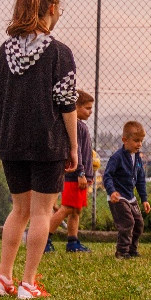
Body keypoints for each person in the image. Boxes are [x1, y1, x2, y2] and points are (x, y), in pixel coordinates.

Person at [0, 0, 78, 299]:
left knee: (18, 210)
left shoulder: (3, 51)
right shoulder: (59, 53)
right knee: (41, 212)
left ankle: (2, 278)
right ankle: (28, 283)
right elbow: (67, 105)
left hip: (10, 141)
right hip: (46, 144)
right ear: (51, 9)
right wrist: (74, 146)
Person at [45, 89, 95, 253]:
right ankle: (45, 239)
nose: (90, 111)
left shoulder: (81, 126)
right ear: (76, 107)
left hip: (82, 177)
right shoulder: (76, 127)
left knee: (76, 209)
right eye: (87, 108)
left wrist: (89, 175)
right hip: (75, 176)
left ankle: (73, 242)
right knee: (67, 208)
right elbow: (77, 151)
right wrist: (81, 173)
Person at [103, 121, 151, 259]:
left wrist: (144, 199)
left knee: (139, 223)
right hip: (118, 197)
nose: (139, 144)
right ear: (125, 140)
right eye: (136, 141)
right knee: (127, 222)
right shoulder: (117, 157)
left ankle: (132, 249)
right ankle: (121, 251)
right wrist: (111, 191)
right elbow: (107, 176)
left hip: (131, 197)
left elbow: (141, 179)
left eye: (141, 141)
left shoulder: (137, 158)